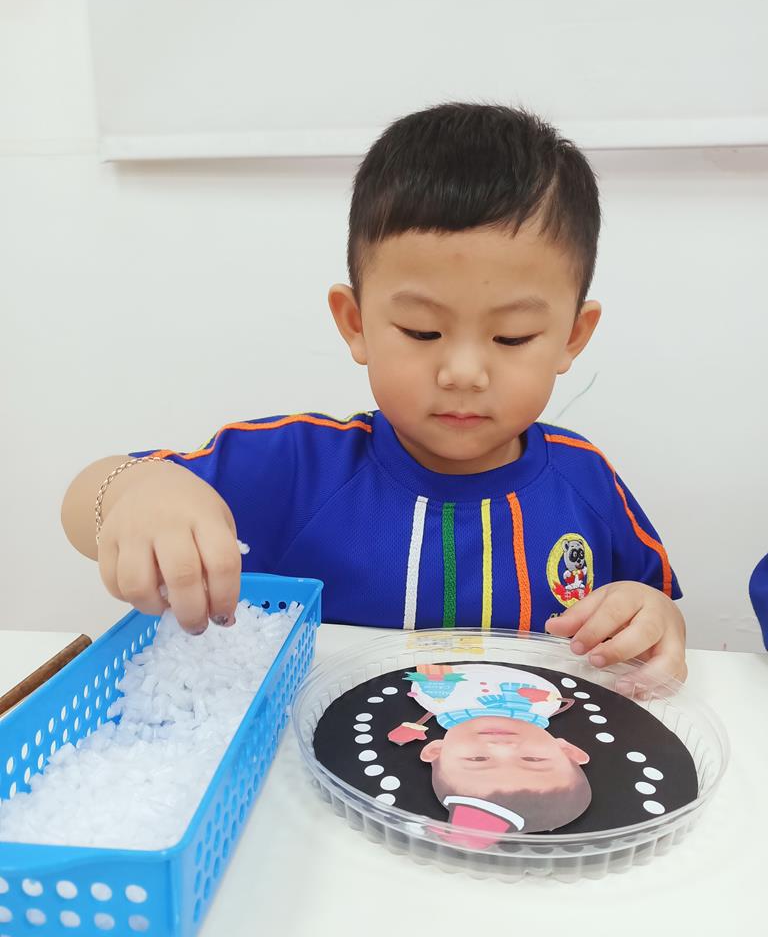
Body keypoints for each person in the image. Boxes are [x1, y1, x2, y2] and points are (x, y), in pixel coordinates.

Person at [61, 103, 686, 692]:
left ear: (572, 336)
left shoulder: (586, 481)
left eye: (512, 336)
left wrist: (654, 620)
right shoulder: (299, 468)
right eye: (422, 331)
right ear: (355, 323)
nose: (463, 372)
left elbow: (655, 612)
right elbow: (89, 496)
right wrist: (139, 493)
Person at [387, 662, 591, 844]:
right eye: (532, 759)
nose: (501, 746)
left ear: (436, 750)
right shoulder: (547, 702)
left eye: (478, 759)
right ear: (568, 750)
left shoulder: (435, 701)